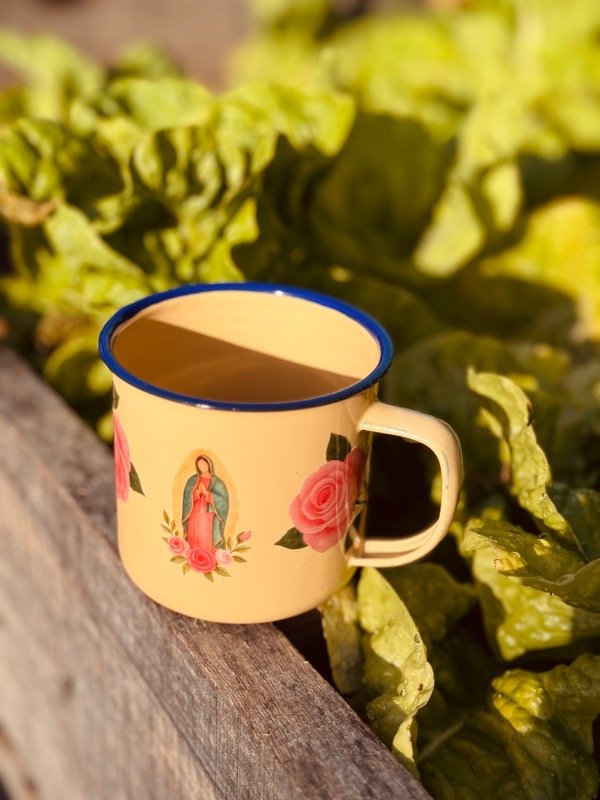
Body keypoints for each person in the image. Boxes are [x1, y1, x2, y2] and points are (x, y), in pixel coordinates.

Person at [182, 455, 229, 550]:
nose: (202, 467)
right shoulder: (192, 480)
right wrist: (197, 492)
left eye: (204, 464)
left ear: (209, 464)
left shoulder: (218, 483)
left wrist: (207, 493)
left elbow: (223, 501)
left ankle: (207, 555)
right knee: (195, 533)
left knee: (205, 534)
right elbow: (186, 498)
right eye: (199, 465)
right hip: (194, 513)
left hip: (208, 514)